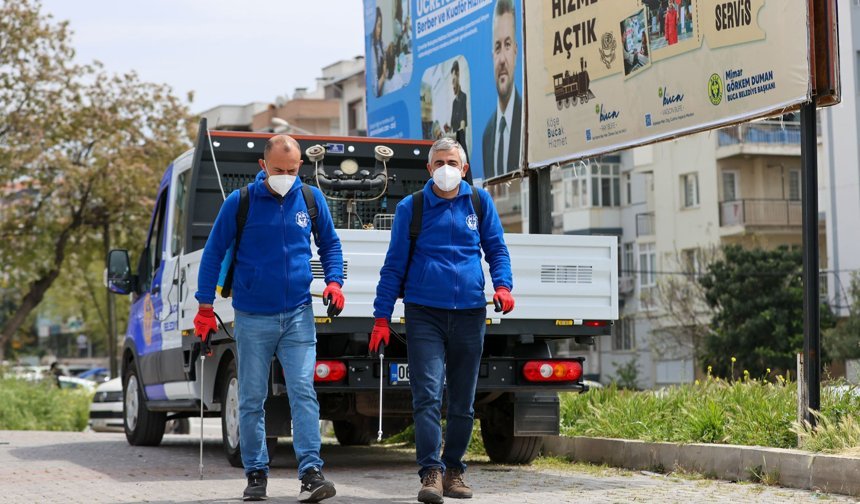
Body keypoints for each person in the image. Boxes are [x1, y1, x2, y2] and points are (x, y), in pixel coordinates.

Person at [194, 135, 344, 503]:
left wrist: (335, 281)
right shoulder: (240, 202)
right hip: (252, 317)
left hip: (298, 315)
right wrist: (204, 307)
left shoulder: (311, 198)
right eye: (279, 170)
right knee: (251, 398)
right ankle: (256, 473)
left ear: (300, 167)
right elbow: (213, 253)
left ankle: (311, 473)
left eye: (293, 170)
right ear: (263, 166)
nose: (286, 177)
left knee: (303, 391)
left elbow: (330, 244)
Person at [369, 138, 515, 504]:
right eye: (439, 163)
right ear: (429, 168)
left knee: (463, 401)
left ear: (464, 169)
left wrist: (503, 286)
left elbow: (496, 249)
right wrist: (381, 317)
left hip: (470, 312)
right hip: (424, 314)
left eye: (452, 162)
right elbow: (393, 265)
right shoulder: (412, 207)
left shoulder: (479, 202)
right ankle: (430, 472)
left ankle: (454, 471)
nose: (446, 168)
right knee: (428, 396)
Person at [482, 0, 522, 180]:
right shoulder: (487, 136)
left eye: (507, 45)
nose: (502, 60)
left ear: (515, 51)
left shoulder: (528, 122)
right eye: (498, 48)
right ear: (492, 56)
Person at [446, 60, 468, 137]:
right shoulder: (454, 103)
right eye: (451, 83)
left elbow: (462, 131)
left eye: (454, 81)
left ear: (458, 75)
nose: (453, 86)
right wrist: (448, 129)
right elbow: (453, 127)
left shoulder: (463, 97)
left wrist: (448, 136)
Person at [372, 7, 387, 97]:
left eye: (380, 26)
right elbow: (375, 91)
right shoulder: (371, 52)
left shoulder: (379, 44)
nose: (379, 30)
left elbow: (385, 49)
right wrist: (383, 76)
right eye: (378, 26)